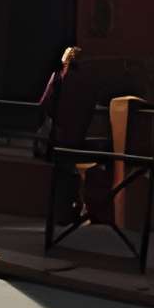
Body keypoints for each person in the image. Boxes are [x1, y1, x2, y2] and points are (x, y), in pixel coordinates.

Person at [37, 44, 99, 226]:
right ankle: (73, 210)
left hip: (59, 135)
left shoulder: (59, 78)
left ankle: (60, 215)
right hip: (78, 134)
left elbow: (45, 103)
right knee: (72, 172)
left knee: (60, 176)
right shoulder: (88, 82)